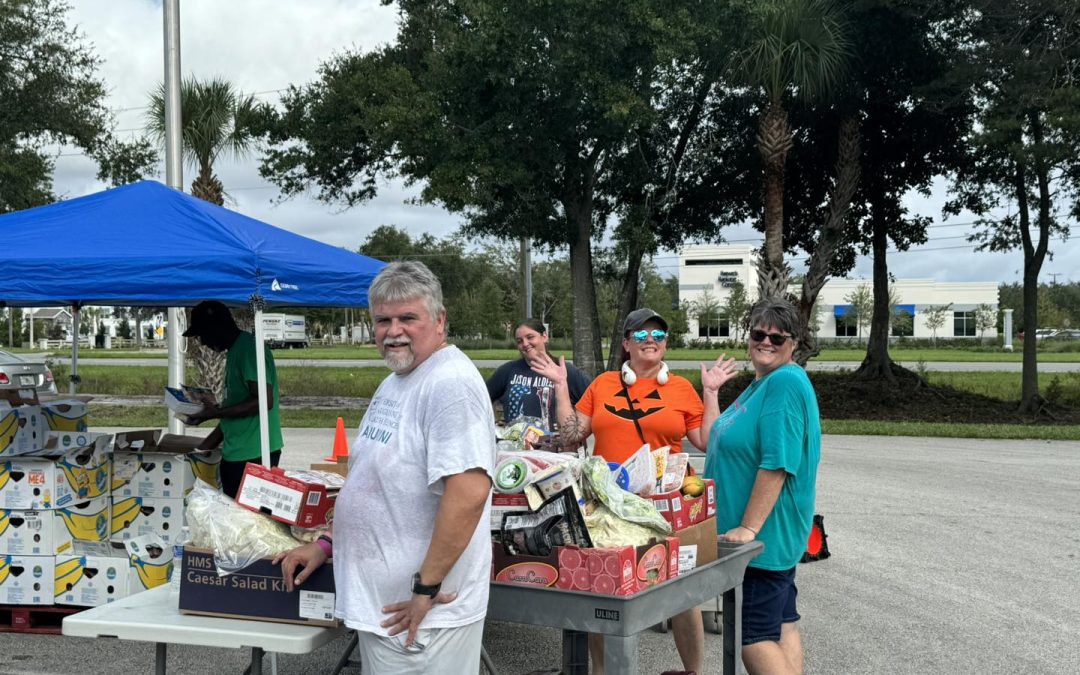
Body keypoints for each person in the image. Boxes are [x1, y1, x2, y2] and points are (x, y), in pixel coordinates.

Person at [274, 261, 495, 675]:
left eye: (408, 318)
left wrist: (425, 588)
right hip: (389, 609)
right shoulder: (399, 378)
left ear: (440, 320)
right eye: (383, 320)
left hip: (421, 615)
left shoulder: (450, 384)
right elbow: (372, 483)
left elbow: (469, 493)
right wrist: (326, 545)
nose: (394, 331)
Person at [531, 307, 732, 675]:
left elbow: (707, 441)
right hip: (610, 507)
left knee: (681, 592)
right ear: (626, 344)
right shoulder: (604, 384)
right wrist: (561, 387)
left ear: (666, 344)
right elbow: (573, 434)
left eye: (657, 335)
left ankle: (692, 672)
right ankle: (604, 671)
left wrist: (712, 392)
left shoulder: (682, 388)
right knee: (601, 591)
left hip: (666, 505)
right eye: (640, 335)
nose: (650, 341)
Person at [701, 297, 821, 675]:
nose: (766, 342)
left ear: (795, 344)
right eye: (759, 333)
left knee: (752, 637)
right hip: (769, 537)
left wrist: (748, 527)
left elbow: (778, 463)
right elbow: (720, 437)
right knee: (782, 622)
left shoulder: (784, 382)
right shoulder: (762, 384)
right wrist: (711, 393)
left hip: (760, 540)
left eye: (778, 337)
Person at [183, 300, 283, 498]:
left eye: (203, 334)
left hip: (253, 453)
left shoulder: (249, 350)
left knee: (243, 521)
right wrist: (199, 449)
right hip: (238, 452)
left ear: (217, 327)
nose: (202, 342)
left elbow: (263, 400)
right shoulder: (236, 351)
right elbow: (232, 416)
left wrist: (216, 412)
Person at [486, 318, 590, 429]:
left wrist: (579, 431)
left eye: (530, 337)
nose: (525, 344)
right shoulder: (507, 370)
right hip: (515, 444)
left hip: (553, 444)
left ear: (544, 336)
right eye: (519, 341)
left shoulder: (564, 371)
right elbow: (481, 399)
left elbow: (595, 403)